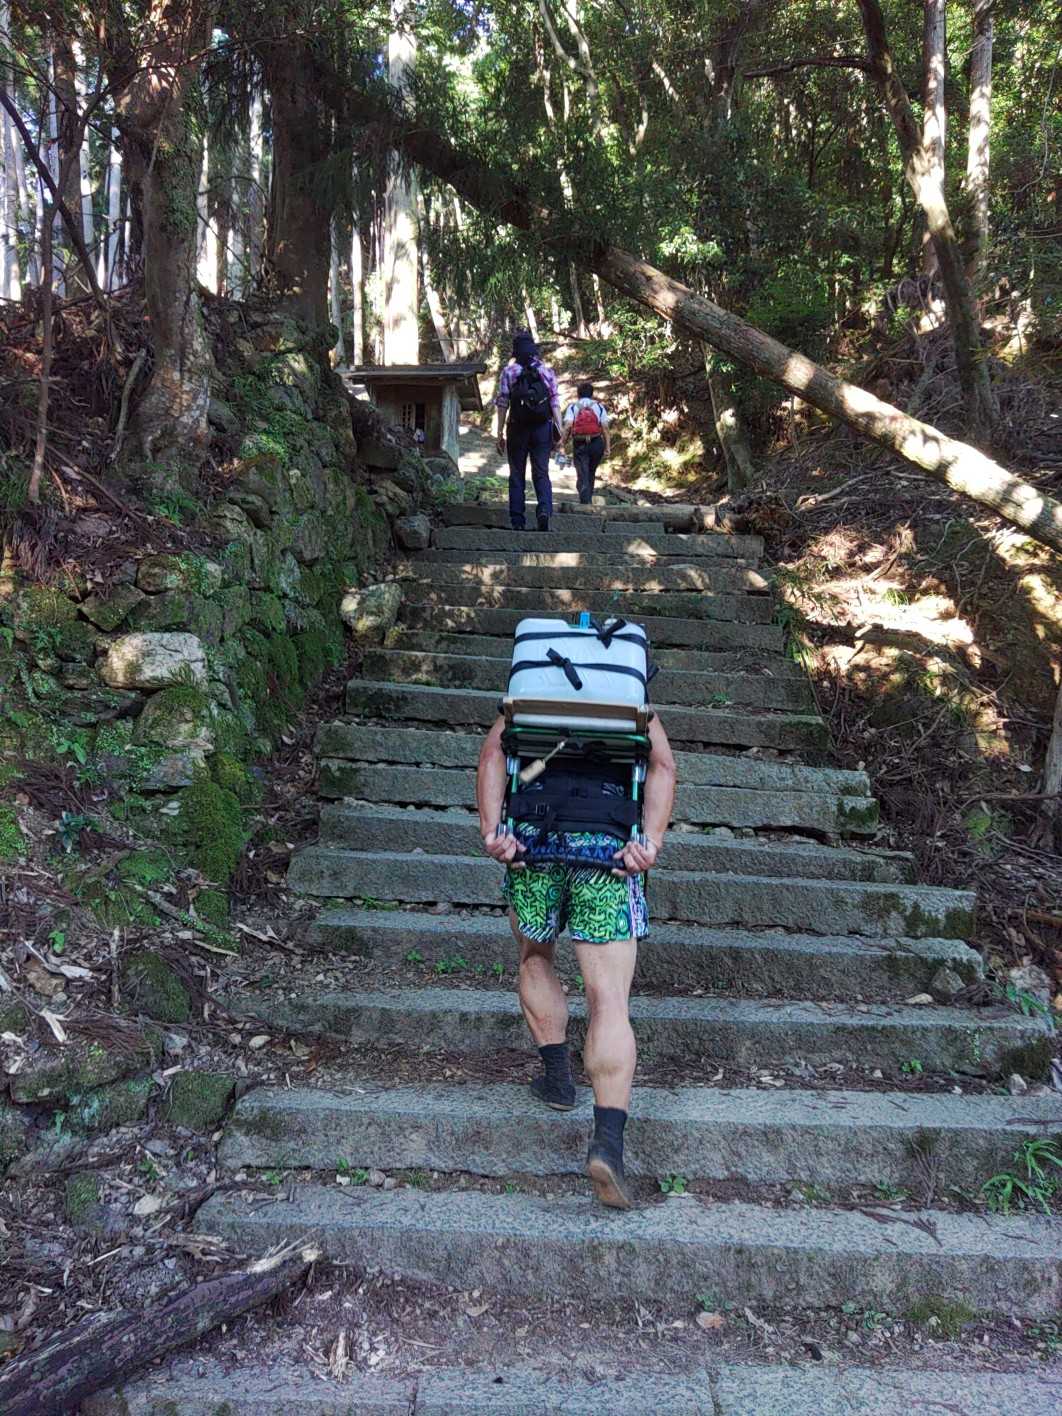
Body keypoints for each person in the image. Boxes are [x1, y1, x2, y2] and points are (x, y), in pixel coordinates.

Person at [476, 712, 677, 1210]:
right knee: (608, 999)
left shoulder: (531, 688)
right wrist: (650, 842)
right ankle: (607, 1144)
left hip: (532, 843)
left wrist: (491, 829)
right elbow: (663, 766)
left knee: (534, 957)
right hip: (608, 847)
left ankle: (557, 1078)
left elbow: (493, 753)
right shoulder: (629, 693)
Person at [495, 331, 563, 532]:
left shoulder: (509, 372)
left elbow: (502, 403)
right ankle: (544, 510)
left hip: (517, 427)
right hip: (542, 427)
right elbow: (555, 402)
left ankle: (517, 520)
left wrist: (499, 433)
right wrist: (559, 430)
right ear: (534, 350)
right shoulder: (546, 371)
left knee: (517, 473)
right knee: (541, 471)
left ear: (515, 351)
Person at [562, 381, 611, 505]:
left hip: (580, 443)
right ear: (591, 394)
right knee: (591, 472)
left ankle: (585, 501)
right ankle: (587, 498)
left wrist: (562, 442)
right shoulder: (599, 407)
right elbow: (605, 428)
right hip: (596, 443)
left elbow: (568, 426)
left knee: (582, 473)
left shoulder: (573, 407)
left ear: (578, 394)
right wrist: (607, 447)